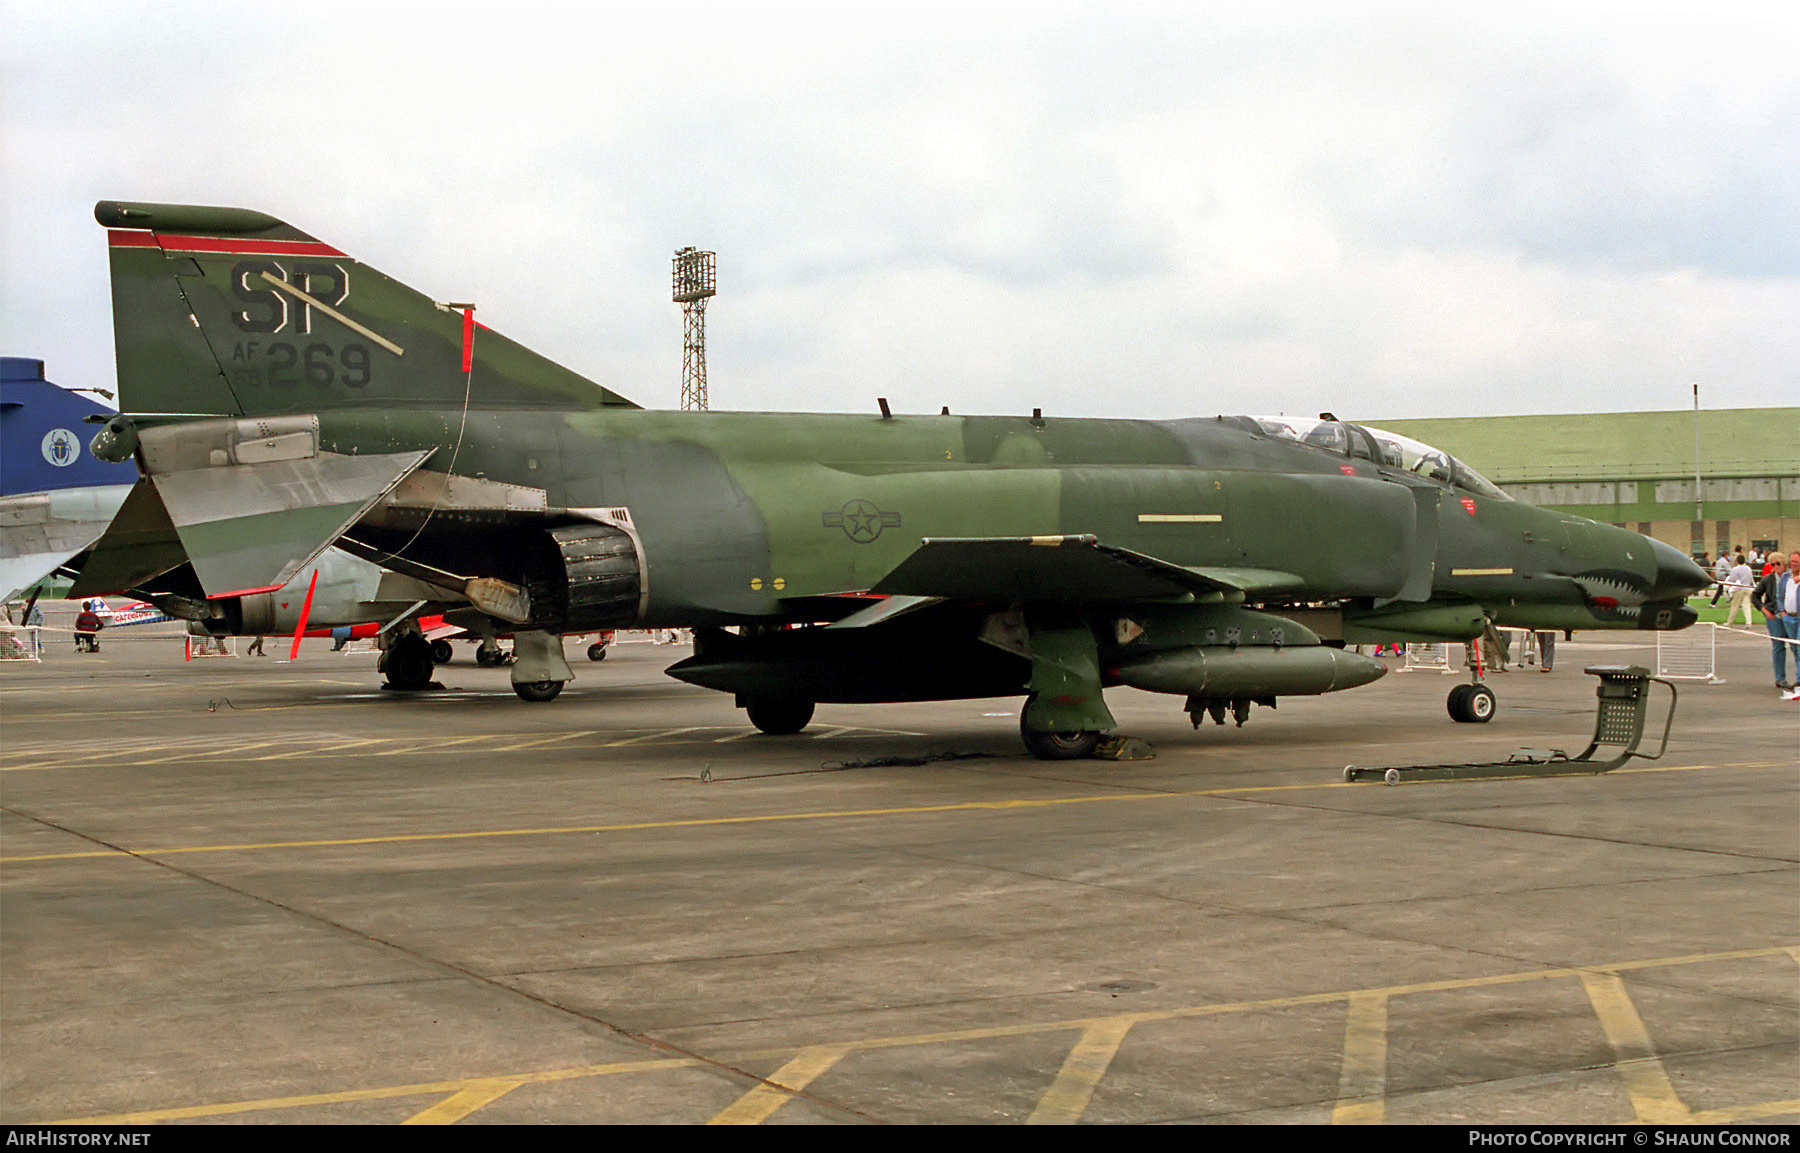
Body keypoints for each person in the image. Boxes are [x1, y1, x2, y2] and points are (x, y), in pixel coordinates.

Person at [1752, 551, 1800, 690]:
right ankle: (1780, 678)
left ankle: (1798, 679)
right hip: (1775, 616)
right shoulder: (1768, 579)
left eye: (1778, 563)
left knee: (1795, 646)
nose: (1775, 567)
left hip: (1789, 616)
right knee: (1778, 646)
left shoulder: (1788, 577)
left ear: (1784, 564)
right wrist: (1764, 610)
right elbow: (1755, 595)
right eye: (1772, 564)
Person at [1725, 554, 1757, 627]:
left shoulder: (1735, 569)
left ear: (1737, 561)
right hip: (1747, 588)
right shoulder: (1748, 569)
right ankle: (1748, 622)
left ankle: (1729, 622)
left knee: (1734, 606)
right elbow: (1751, 579)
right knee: (1746, 606)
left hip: (1738, 589)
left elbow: (1732, 580)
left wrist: (1728, 587)